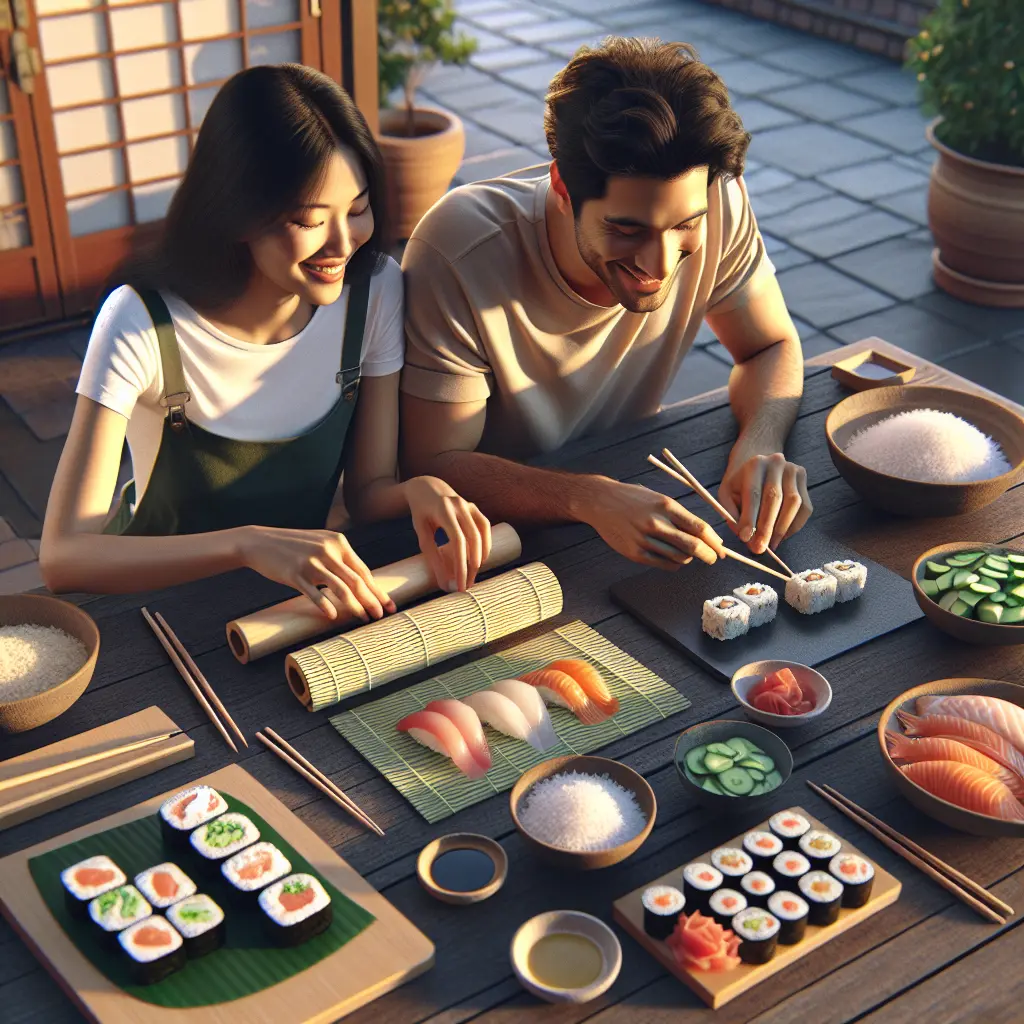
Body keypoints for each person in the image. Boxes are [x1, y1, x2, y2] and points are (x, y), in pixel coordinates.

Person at [39, 64, 491, 623]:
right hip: (158, 615)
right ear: (236, 212)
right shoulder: (141, 322)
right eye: (309, 219)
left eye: (357, 210)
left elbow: (370, 491)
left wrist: (417, 490)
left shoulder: (374, 291)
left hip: (287, 611)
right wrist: (247, 544)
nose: (343, 243)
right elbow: (65, 558)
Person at [399, 37, 812, 571]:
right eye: (626, 228)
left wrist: (759, 442)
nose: (661, 262)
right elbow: (432, 462)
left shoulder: (717, 198)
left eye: (685, 225)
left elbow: (770, 346)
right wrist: (587, 497)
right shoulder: (459, 250)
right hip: (488, 549)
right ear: (561, 187)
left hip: (629, 504)